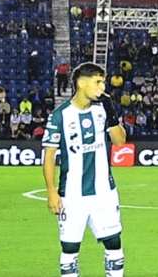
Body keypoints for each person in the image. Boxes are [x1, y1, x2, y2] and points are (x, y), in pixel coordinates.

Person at [42, 63, 127, 277]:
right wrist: (51, 191)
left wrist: (111, 110)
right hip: (72, 195)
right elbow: (49, 156)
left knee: (114, 244)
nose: (102, 87)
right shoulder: (60, 115)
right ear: (81, 83)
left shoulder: (102, 109)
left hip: (104, 193)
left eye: (103, 82)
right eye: (98, 82)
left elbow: (119, 141)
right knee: (70, 250)